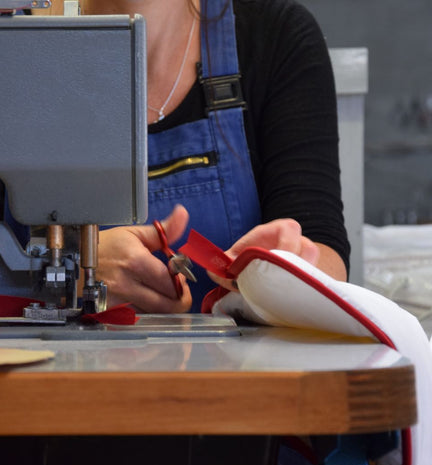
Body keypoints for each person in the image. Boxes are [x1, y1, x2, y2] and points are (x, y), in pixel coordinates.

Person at [89, 0, 350, 313]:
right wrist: (80, 267)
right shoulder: (16, 46)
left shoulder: (276, 36)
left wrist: (282, 269)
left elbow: (327, 259)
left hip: (242, 362)